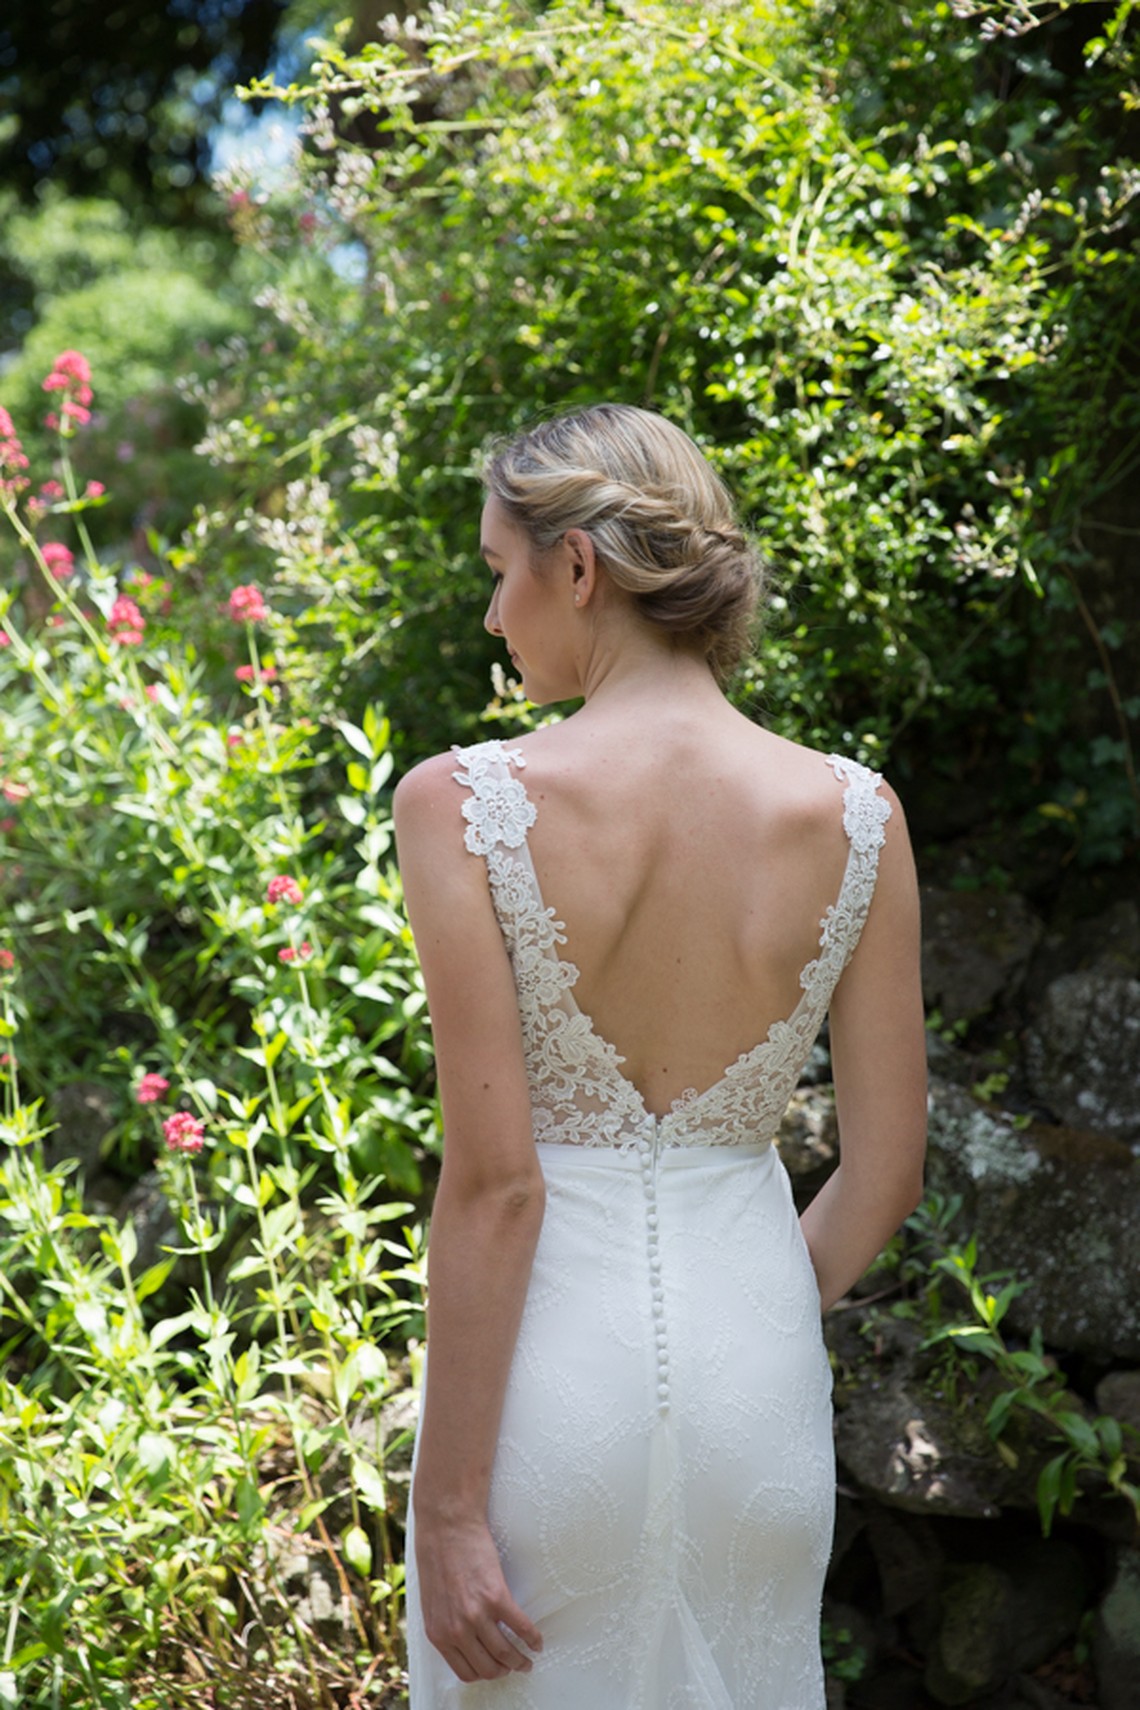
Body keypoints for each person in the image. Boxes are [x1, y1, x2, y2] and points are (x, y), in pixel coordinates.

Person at [393, 403, 927, 1708]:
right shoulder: (856, 814)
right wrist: (757, 1304)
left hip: (544, 1397)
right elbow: (886, 1173)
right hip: (759, 1387)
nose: (493, 617)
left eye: (498, 572)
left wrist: (449, 1509)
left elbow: (499, 1186)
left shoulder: (461, 805)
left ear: (577, 566)